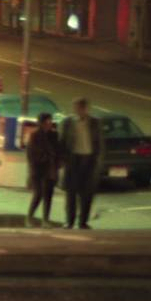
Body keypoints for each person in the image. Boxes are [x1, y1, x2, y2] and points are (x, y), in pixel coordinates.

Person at [59, 96, 104, 228]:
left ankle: (83, 222)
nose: (76, 110)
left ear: (85, 108)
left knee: (87, 194)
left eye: (79, 108)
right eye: (75, 108)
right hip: (73, 160)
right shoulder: (68, 122)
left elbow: (100, 143)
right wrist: (63, 160)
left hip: (89, 160)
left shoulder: (95, 122)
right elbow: (62, 141)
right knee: (71, 193)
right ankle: (70, 221)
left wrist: (98, 161)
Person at [25, 113, 62, 227]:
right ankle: (30, 217)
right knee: (39, 193)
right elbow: (31, 154)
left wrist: (58, 162)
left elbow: (58, 150)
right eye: (47, 122)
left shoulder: (54, 135)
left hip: (50, 168)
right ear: (41, 123)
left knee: (48, 194)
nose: (49, 124)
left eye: (50, 121)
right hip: (38, 168)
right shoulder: (35, 135)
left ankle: (45, 219)